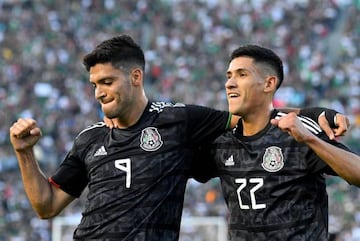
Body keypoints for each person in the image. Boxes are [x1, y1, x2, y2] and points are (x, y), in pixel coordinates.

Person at [9, 35, 349, 241]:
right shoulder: (89, 139)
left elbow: (258, 115)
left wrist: (318, 116)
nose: (98, 92)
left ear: (136, 77)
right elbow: (46, 206)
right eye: (95, 84)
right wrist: (25, 154)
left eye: (108, 82)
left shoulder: (180, 121)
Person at [193, 44, 360, 241]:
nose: (230, 83)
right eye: (229, 75)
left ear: (268, 84)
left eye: (242, 74)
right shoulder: (221, 141)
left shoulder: (296, 131)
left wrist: (310, 139)